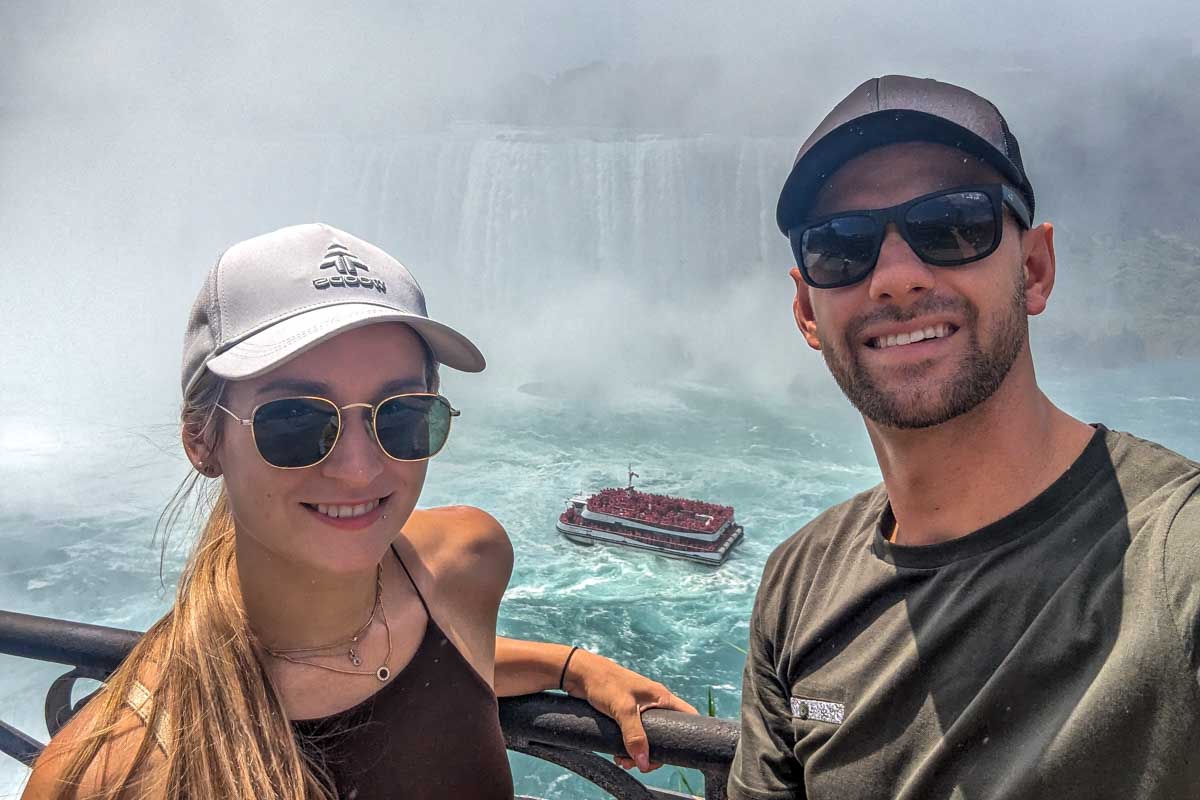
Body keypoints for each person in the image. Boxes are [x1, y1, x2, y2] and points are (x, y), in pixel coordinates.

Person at [23, 223, 694, 800]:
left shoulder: (467, 561)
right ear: (203, 439)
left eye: (401, 416)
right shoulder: (107, 772)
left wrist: (572, 667)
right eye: (294, 420)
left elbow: (443, 654)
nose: (358, 467)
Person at [729, 75, 1200, 799]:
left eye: (953, 224)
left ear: (1035, 269)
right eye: (842, 246)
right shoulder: (798, 585)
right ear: (807, 313)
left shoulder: (1173, 551)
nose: (896, 279)